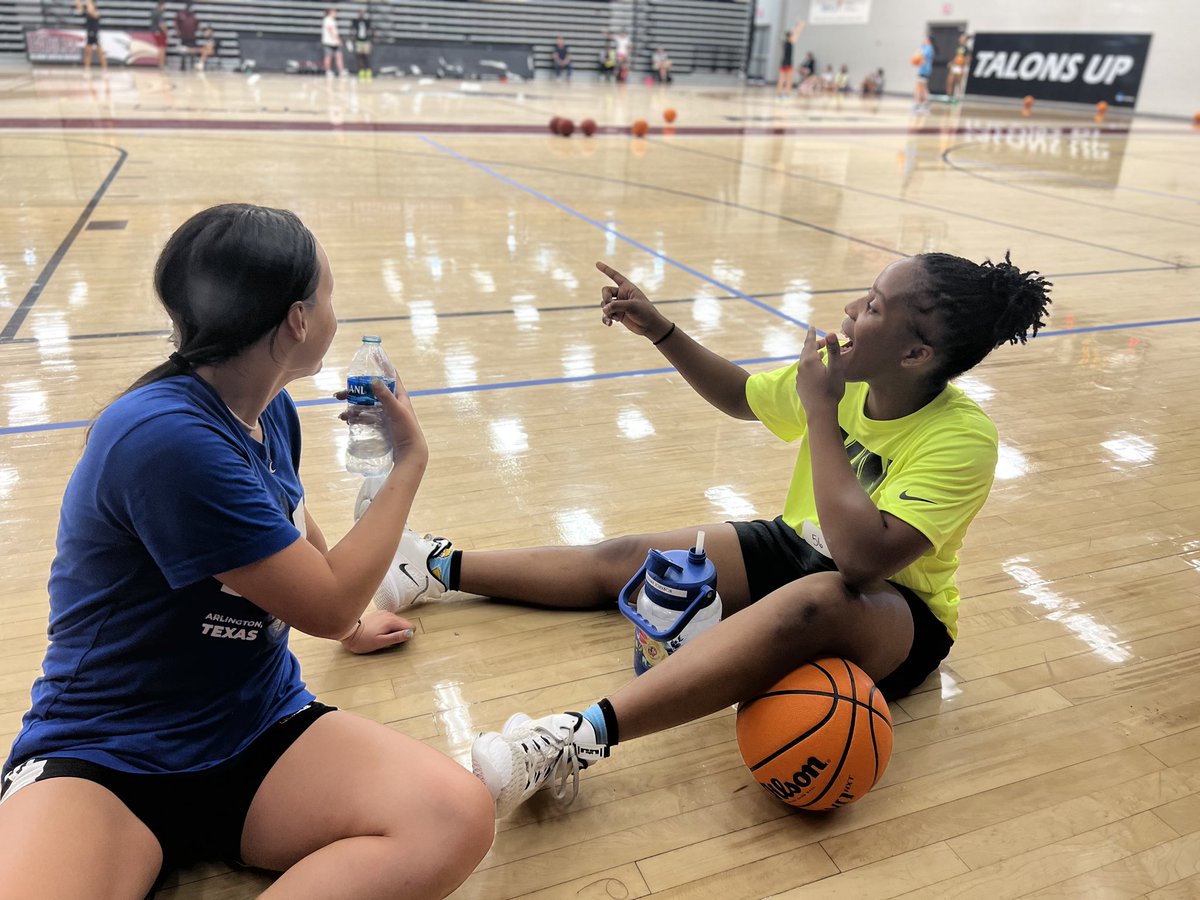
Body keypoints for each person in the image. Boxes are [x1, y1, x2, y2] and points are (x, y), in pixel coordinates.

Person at [381, 252, 1051, 818]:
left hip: (896, 612)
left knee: (815, 600)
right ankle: (434, 567)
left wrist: (821, 409)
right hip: (801, 547)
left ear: (916, 353)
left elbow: (861, 559)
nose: (851, 310)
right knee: (635, 557)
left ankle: (571, 740)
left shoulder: (963, 438)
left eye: (873, 307)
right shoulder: (849, 378)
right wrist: (662, 331)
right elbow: (741, 396)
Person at [0, 204, 494, 894]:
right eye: (328, 296)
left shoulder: (268, 410)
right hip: (108, 755)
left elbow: (291, 536)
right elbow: (325, 602)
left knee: (454, 815)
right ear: (298, 320)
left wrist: (352, 625)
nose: (334, 311)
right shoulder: (164, 437)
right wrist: (408, 461)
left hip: (256, 730)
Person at [774, 20, 806, 95]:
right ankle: (787, 93)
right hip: (788, 64)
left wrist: (797, 25)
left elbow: (794, 32)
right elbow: (796, 33)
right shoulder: (790, 42)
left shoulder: (784, 42)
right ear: (790, 36)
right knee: (789, 80)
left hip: (783, 63)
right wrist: (800, 26)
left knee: (781, 80)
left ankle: (778, 93)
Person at [75, 0, 106, 73]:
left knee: (100, 53)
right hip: (89, 35)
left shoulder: (96, 13)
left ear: (93, 6)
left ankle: (104, 70)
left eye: (90, 5)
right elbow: (80, 8)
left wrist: (89, 6)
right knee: (88, 53)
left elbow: (94, 15)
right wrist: (78, 2)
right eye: (88, 5)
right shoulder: (87, 13)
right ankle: (87, 69)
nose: (88, 6)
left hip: (96, 35)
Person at [945, 33, 971, 102]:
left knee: (958, 83)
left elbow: (968, 59)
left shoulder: (967, 49)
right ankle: (949, 97)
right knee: (949, 81)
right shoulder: (957, 47)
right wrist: (951, 62)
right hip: (954, 66)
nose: (960, 39)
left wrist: (963, 64)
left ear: (965, 40)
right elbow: (955, 57)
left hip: (960, 67)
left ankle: (958, 98)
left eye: (962, 38)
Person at [321, 8, 345, 77]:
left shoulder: (333, 20)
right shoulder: (327, 20)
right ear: (330, 13)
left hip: (335, 43)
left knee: (339, 56)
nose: (335, 14)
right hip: (329, 42)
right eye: (334, 12)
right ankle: (328, 71)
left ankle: (341, 71)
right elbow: (331, 30)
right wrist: (338, 39)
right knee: (328, 56)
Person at [175, 1, 198, 71]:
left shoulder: (194, 15)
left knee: (192, 51)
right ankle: (183, 65)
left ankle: (192, 65)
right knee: (183, 51)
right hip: (184, 36)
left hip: (192, 36)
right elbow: (176, 21)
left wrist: (194, 30)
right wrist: (178, 30)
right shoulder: (181, 14)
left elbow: (197, 25)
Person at [352, 7, 373, 79]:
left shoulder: (367, 21)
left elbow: (370, 30)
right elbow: (353, 30)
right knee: (359, 56)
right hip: (358, 41)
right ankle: (361, 71)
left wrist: (370, 38)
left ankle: (368, 70)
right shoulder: (355, 21)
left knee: (366, 56)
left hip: (366, 41)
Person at [914, 34, 934, 111]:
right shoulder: (924, 47)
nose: (923, 40)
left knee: (921, 87)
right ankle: (922, 103)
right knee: (921, 87)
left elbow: (921, 57)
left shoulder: (929, 48)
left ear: (929, 40)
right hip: (923, 70)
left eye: (925, 39)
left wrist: (917, 56)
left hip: (925, 70)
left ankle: (920, 103)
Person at [149, 1, 167, 67]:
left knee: (159, 48)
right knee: (162, 48)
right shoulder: (159, 14)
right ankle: (161, 64)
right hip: (160, 33)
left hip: (154, 32)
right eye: (164, 6)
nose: (165, 8)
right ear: (161, 6)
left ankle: (160, 63)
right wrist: (166, 32)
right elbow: (161, 24)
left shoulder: (153, 12)